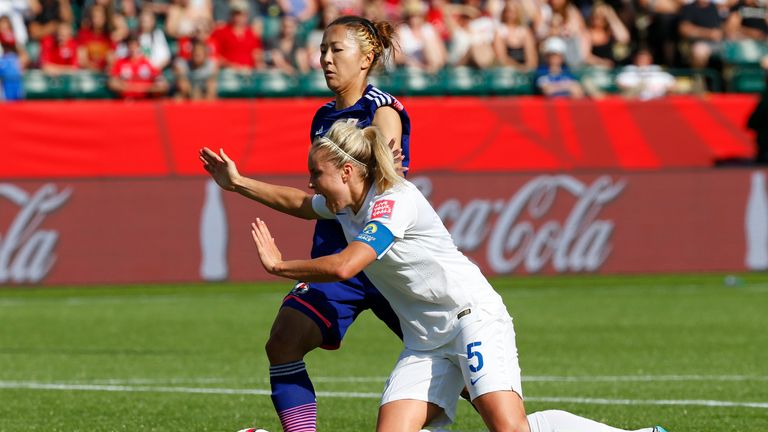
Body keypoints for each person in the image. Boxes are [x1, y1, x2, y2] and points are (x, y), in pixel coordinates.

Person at [199, 120, 669, 432]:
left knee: (508, 428)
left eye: (315, 174)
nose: (310, 183)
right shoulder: (347, 200)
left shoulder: (392, 201)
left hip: (472, 319)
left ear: (346, 171)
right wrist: (239, 184)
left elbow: (346, 266)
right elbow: (301, 205)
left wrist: (279, 266)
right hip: (425, 341)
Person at [202, 15, 411, 432]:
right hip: (339, 266)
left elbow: (388, 163)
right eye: (322, 51)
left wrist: (384, 159)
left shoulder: (382, 110)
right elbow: (314, 204)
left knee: (454, 365)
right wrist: (239, 183)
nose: (326, 60)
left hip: (387, 262)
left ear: (367, 57)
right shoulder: (322, 118)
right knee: (282, 343)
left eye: (337, 50)